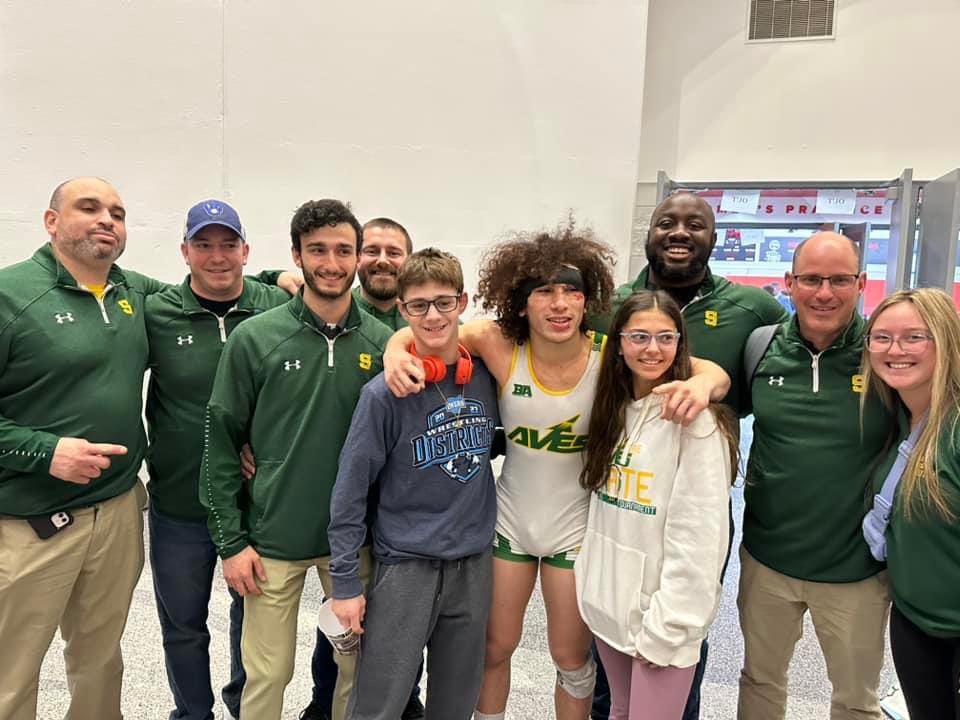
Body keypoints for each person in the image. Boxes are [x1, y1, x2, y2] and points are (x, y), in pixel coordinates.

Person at [382, 223, 729, 720]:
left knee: (570, 658)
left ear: (589, 300)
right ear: (521, 303)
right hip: (510, 523)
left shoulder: (611, 355)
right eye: (544, 291)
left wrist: (706, 386)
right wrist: (397, 352)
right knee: (495, 648)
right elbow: (422, 329)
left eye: (571, 291)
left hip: (577, 530)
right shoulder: (500, 345)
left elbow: (704, 368)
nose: (559, 303)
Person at [589, 192, 787, 720]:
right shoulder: (613, 304)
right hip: (624, 519)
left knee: (676, 661)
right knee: (614, 692)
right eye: (666, 222)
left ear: (714, 237)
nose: (679, 232)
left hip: (691, 496)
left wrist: (713, 384)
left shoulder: (755, 309)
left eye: (694, 224)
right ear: (649, 233)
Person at [200, 199, 392, 720]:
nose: (331, 263)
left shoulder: (385, 344)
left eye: (343, 251)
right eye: (318, 250)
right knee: (267, 675)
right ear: (296, 255)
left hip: (351, 546)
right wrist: (232, 543)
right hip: (272, 543)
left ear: (358, 259)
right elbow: (221, 443)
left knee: (358, 671)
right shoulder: (255, 338)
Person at [0, 177, 164, 720]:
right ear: (51, 222)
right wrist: (43, 452)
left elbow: (212, 291)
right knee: (11, 670)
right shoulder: (10, 297)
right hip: (31, 523)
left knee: (100, 660)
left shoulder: (131, 291)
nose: (106, 221)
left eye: (116, 213)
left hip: (116, 512)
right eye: (88, 208)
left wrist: (277, 277)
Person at [144, 199, 299, 720]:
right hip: (179, 503)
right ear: (185, 251)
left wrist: (281, 275)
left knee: (248, 620)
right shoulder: (157, 310)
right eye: (204, 244)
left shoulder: (273, 306)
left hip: (251, 502)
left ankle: (241, 707)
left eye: (227, 244)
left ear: (245, 250)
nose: (216, 256)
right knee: (183, 623)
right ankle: (192, 713)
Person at [328, 248, 499, 720]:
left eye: (444, 302)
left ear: (463, 302)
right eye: (419, 305)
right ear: (402, 310)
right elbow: (350, 489)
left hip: (473, 563)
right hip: (405, 567)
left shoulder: (486, 378)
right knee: (379, 703)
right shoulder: (383, 394)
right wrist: (344, 582)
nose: (433, 315)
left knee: (456, 703)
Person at [738, 231, 894, 720]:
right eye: (811, 279)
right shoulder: (761, 348)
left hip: (855, 571)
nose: (824, 293)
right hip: (767, 559)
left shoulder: (885, 357)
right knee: (760, 681)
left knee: (855, 700)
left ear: (862, 283)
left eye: (840, 280)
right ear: (789, 282)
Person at [577, 290, 737, 719]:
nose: (652, 349)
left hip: (660, 621)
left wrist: (671, 626)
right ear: (620, 343)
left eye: (666, 338)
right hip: (609, 609)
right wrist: (592, 589)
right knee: (618, 711)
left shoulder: (696, 421)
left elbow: (701, 538)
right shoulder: (615, 410)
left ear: (681, 344)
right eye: (640, 337)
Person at [302, 214, 425, 720]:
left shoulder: (421, 326)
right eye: (370, 249)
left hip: (399, 516)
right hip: (341, 508)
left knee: (400, 623)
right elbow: (266, 283)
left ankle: (404, 702)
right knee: (339, 620)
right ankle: (322, 702)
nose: (380, 259)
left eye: (393, 252)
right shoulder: (328, 318)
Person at [861, 288, 960, 720]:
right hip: (916, 623)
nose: (895, 350)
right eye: (881, 338)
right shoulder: (899, 416)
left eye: (914, 337)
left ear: (947, 341)